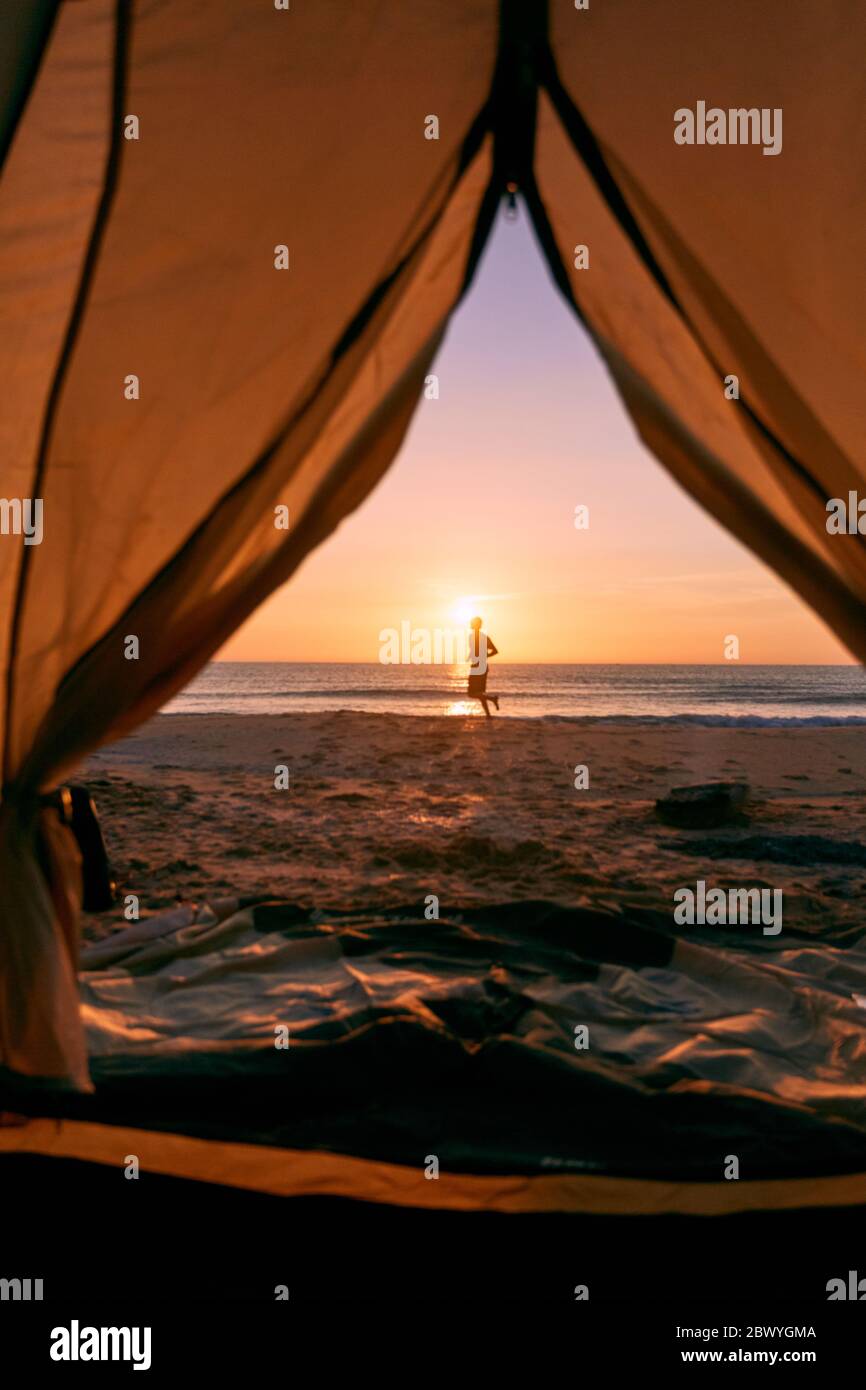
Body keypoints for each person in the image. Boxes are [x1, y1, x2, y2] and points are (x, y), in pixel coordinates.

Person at [467, 616, 499, 717]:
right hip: (478, 666)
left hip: (479, 667)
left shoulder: (481, 637)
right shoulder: (474, 637)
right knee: (480, 693)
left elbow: (495, 651)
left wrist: (485, 656)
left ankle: (492, 699)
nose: (470, 624)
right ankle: (488, 715)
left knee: (472, 693)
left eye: (472, 623)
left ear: (476, 625)